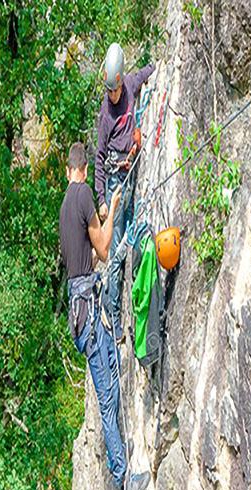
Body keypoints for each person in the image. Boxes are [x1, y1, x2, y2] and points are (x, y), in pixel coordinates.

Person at [59, 140, 150, 490]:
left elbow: (83, 247)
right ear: (84, 170)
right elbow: (105, 248)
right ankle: (124, 479)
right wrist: (111, 209)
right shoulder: (83, 196)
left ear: (68, 170)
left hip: (80, 306)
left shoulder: (67, 203)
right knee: (107, 393)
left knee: (110, 374)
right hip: (87, 308)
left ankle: (119, 452)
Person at [95, 42, 155, 344]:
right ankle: (113, 313)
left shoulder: (129, 84)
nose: (113, 96)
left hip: (131, 174)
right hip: (116, 183)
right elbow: (99, 158)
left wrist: (157, 68)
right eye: (109, 91)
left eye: (115, 91)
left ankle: (126, 306)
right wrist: (103, 199)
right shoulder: (105, 116)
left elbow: (147, 72)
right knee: (117, 253)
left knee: (132, 242)